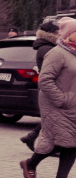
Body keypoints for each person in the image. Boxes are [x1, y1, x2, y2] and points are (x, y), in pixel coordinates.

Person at [19, 17, 76, 178]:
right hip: (56, 104)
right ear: (70, 35)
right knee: (62, 141)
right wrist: (61, 99)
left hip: (72, 105)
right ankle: (33, 165)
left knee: (70, 142)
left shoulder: (74, 53)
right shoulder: (57, 53)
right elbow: (45, 80)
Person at [20, 21, 61, 151]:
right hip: (51, 87)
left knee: (52, 117)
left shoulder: (46, 46)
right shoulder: (47, 48)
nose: (60, 33)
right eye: (57, 31)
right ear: (52, 33)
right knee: (53, 118)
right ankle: (48, 146)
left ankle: (31, 137)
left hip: (50, 86)